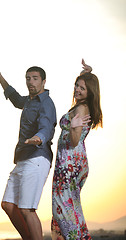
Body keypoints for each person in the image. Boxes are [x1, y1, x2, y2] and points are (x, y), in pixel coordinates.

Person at [0, 64, 57, 240]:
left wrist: (39, 137)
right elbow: (15, 98)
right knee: (8, 205)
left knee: (27, 209)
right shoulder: (28, 101)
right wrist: (0, 77)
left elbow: (47, 126)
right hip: (22, 158)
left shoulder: (46, 103)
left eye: (35, 78)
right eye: (28, 78)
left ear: (43, 81)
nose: (31, 82)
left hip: (37, 157)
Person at [51, 60, 102, 240]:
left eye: (83, 88)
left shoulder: (81, 108)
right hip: (76, 161)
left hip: (69, 162)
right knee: (71, 204)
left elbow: (73, 142)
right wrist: (87, 73)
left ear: (90, 92)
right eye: (77, 85)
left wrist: (73, 127)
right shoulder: (86, 105)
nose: (77, 90)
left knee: (62, 208)